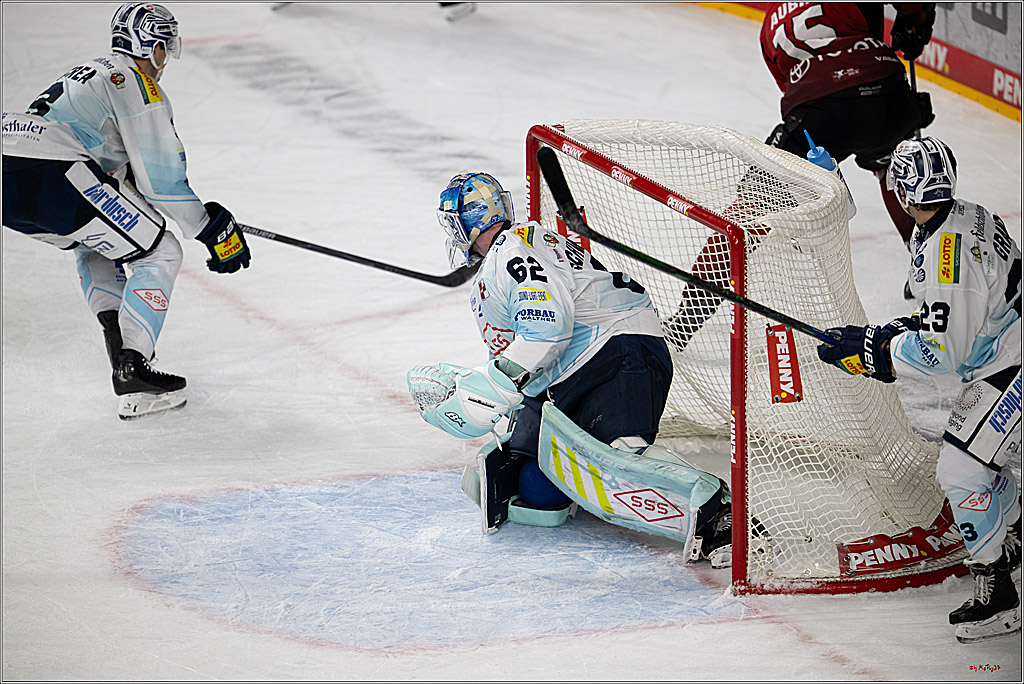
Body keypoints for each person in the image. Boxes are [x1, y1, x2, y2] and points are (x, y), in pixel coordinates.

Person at [406, 172, 733, 564]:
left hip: (616, 348)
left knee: (619, 461)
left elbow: (547, 327)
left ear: (468, 222)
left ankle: (720, 513)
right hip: (573, 368)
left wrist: (492, 386)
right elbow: (526, 348)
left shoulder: (512, 252)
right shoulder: (516, 251)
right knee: (534, 483)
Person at [817, 137, 1021, 644]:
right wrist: (883, 335)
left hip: (1012, 365)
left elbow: (943, 354)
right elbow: (946, 317)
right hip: (1005, 351)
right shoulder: (964, 214)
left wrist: (876, 354)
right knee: (979, 459)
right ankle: (1012, 535)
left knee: (960, 468)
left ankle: (998, 594)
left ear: (904, 191)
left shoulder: (947, 254)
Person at [2, 3, 251, 419]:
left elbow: (119, 180)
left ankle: (123, 359)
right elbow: (161, 181)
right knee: (161, 251)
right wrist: (210, 229)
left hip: (12, 174)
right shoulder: (138, 84)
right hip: (52, 169)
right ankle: (132, 366)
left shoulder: (91, 71)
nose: (167, 56)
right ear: (152, 47)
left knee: (98, 243)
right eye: (166, 45)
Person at [761, 1, 937, 296]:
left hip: (821, 113)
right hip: (886, 95)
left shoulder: (768, 26)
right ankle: (928, 263)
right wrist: (915, 20)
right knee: (894, 169)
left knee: (753, 202)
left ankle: (693, 307)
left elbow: (794, 92)